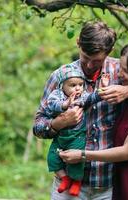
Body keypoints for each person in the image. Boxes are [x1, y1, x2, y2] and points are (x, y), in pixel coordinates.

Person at [33, 21, 128, 200]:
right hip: (68, 179)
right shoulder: (61, 76)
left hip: (109, 183)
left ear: (110, 51)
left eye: (97, 60)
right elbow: (38, 125)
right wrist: (58, 123)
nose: (90, 65)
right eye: (85, 57)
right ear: (78, 42)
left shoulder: (122, 72)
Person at [61, 41, 128, 200]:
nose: (119, 75)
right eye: (120, 67)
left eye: (125, 71)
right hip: (124, 179)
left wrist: (82, 155)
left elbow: (127, 151)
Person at [45, 65, 110, 196]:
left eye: (80, 84)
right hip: (61, 136)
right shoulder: (57, 95)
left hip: (77, 136)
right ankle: (65, 178)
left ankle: (76, 182)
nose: (78, 88)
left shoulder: (82, 97)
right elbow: (51, 106)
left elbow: (93, 98)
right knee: (52, 157)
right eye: (73, 85)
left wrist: (102, 87)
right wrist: (65, 104)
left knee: (76, 162)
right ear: (62, 86)